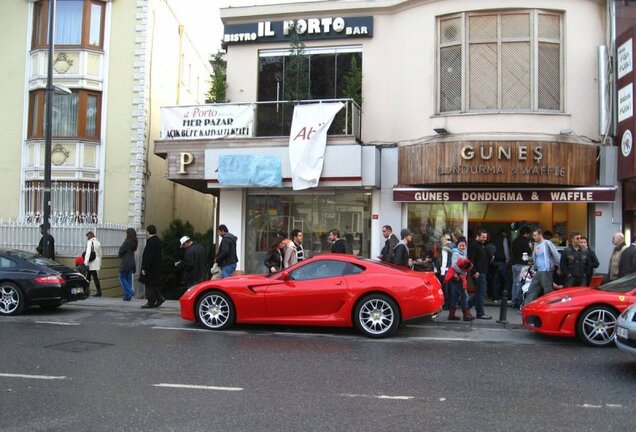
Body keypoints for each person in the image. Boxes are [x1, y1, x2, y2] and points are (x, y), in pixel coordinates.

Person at [524, 228, 561, 304]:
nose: (533, 237)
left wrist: (559, 266)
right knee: (532, 289)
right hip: (538, 270)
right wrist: (529, 258)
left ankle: (551, 307)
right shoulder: (536, 245)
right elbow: (536, 257)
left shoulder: (547, 243)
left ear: (540, 235)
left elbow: (556, 255)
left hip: (546, 270)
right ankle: (527, 307)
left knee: (548, 291)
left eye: (535, 235)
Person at [445, 237, 474, 321]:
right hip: (457, 277)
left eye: (463, 246)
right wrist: (462, 271)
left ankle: (452, 314)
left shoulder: (460, 253)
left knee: (455, 296)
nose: (462, 247)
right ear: (457, 245)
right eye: (460, 245)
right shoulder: (456, 253)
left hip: (458, 278)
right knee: (464, 296)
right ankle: (465, 315)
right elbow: (454, 265)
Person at [467, 229, 492, 319]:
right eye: (483, 237)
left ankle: (467, 305)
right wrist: (474, 271)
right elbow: (471, 260)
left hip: (482, 272)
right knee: (481, 293)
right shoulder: (474, 245)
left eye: (485, 237)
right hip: (478, 273)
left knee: (480, 292)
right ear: (477, 236)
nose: (484, 239)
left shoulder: (481, 245)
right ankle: (480, 313)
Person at [140, 224, 165, 308]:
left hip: (150, 268)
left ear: (148, 232)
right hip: (157, 267)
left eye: (146, 232)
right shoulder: (158, 240)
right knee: (154, 285)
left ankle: (151, 302)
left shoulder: (150, 242)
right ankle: (159, 297)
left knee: (149, 285)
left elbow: (148, 257)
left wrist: (144, 268)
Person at [510, 226, 532, 308]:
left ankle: (513, 300)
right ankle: (517, 301)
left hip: (514, 264)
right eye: (528, 234)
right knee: (521, 283)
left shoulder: (514, 241)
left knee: (514, 283)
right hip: (523, 265)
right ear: (526, 233)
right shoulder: (525, 241)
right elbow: (528, 252)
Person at [491, 228, 512, 303]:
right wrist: (507, 260)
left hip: (494, 262)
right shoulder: (504, 239)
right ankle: (507, 297)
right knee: (508, 280)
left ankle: (495, 297)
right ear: (505, 233)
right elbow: (506, 249)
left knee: (495, 280)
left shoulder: (493, 239)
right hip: (502, 261)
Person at [118, 228, 138, 301]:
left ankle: (130, 292)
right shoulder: (134, 242)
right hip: (132, 262)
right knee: (128, 279)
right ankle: (127, 296)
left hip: (125, 262)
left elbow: (120, 251)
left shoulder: (126, 242)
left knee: (122, 278)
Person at [436, 234, 454, 310]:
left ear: (444, 239)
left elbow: (444, 261)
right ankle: (452, 304)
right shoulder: (454, 246)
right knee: (451, 289)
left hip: (446, 270)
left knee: (446, 289)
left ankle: (446, 305)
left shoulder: (445, 248)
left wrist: (442, 273)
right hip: (452, 270)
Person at [84, 231, 102, 297]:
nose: (87, 238)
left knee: (88, 277)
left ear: (89, 236)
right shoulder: (98, 242)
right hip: (97, 261)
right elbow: (100, 254)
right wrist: (100, 263)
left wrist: (85, 262)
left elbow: (88, 253)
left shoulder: (89, 242)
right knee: (94, 277)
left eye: (87, 236)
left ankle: (87, 291)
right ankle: (99, 291)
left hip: (91, 262)